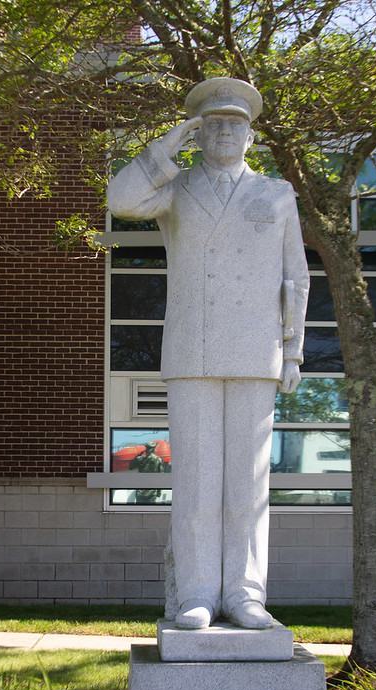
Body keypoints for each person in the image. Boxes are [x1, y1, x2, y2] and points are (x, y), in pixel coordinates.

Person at [107, 77, 309, 630]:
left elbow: (296, 277)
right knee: (196, 482)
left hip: (255, 350)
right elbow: (120, 200)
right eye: (213, 123)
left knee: (248, 483)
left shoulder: (276, 193)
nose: (225, 132)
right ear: (198, 132)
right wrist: (164, 149)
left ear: (250, 135)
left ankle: (245, 594)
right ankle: (197, 591)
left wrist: (292, 351)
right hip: (192, 349)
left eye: (235, 124)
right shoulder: (176, 186)